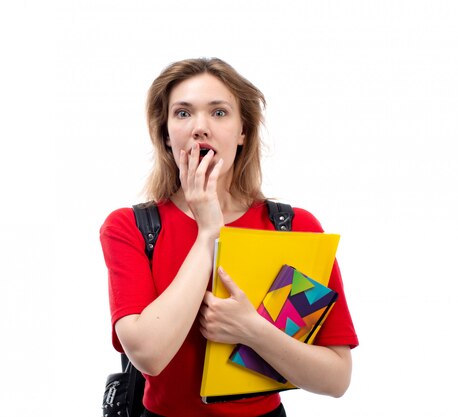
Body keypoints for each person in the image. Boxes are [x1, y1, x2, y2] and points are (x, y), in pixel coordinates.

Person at [99, 57, 358, 417]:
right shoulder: (131, 227)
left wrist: (252, 330)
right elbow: (149, 356)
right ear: (165, 133)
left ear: (243, 132)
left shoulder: (293, 227)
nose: (200, 128)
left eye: (219, 113)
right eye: (183, 113)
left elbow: (335, 379)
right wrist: (209, 232)